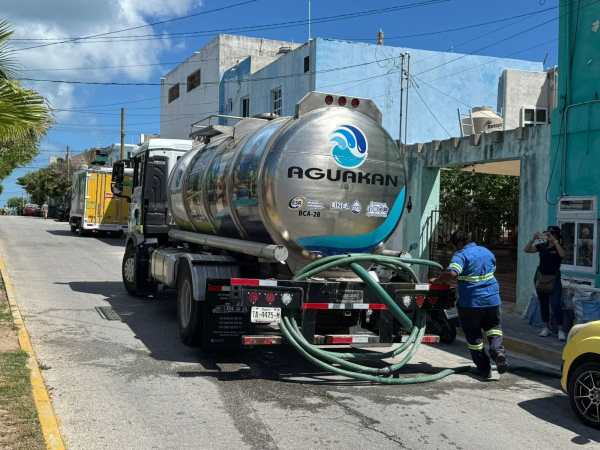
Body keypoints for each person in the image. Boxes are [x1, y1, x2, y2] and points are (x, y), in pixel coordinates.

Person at [433, 230, 508, 380]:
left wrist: (439, 279)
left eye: (455, 245)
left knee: (474, 337)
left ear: (459, 243)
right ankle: (498, 352)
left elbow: (453, 273)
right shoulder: (486, 251)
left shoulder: (461, 255)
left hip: (471, 303)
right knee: (493, 328)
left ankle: (484, 369)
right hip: (492, 300)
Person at [524, 225, 566, 341]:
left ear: (556, 235)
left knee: (555, 304)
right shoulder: (542, 246)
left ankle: (560, 329)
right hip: (542, 278)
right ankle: (546, 327)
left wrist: (555, 242)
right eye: (548, 234)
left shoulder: (559, 246)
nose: (549, 236)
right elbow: (527, 250)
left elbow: (563, 255)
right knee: (543, 304)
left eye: (551, 234)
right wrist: (533, 239)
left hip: (554, 279)